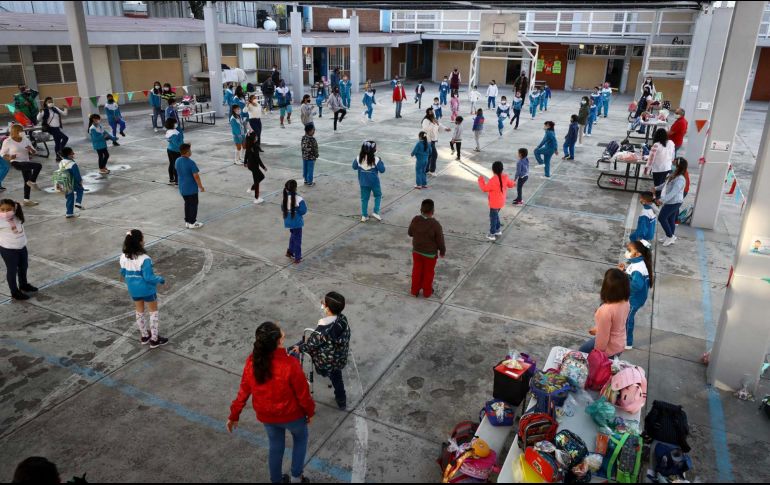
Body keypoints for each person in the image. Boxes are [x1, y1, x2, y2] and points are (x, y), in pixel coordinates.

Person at [227, 321, 315, 484]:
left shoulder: (252, 362)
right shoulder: (291, 365)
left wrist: (234, 414)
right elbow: (303, 395)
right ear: (279, 341)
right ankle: (296, 477)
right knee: (300, 440)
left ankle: (276, 480)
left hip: (267, 416)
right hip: (292, 415)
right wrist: (310, 412)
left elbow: (244, 390)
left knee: (275, 446)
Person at [291, 291, 351, 410]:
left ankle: (322, 372)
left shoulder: (323, 328)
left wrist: (300, 348)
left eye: (324, 302)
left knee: (298, 346)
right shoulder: (343, 320)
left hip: (326, 360)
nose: (322, 303)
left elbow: (311, 344)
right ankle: (341, 401)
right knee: (337, 379)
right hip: (339, 357)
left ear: (328, 308)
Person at [120, 229, 168, 348]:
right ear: (139, 242)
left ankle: (144, 335)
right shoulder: (145, 258)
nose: (144, 240)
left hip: (133, 289)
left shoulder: (123, 257)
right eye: (143, 238)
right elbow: (149, 278)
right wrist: (160, 279)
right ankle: (154, 339)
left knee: (139, 311)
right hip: (147, 289)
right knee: (153, 313)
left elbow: (123, 272)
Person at [579, 268, 631, 357]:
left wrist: (597, 355)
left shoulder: (605, 311)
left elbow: (602, 340)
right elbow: (616, 323)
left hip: (609, 349)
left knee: (581, 353)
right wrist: (599, 328)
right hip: (620, 343)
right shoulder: (626, 301)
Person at [618, 240, 653, 350]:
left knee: (628, 319)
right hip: (633, 298)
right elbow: (633, 279)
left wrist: (624, 287)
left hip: (634, 300)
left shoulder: (638, 268)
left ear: (638, 254)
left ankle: (627, 342)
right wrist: (624, 272)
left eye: (629, 250)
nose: (627, 252)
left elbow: (636, 286)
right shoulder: (637, 264)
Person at [0, 198, 37, 301]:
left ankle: (23, 285)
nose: (5, 212)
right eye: (2, 210)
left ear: (14, 208)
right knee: (12, 270)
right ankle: (14, 292)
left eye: (8, 209)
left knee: (23, 266)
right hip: (8, 250)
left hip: (21, 247)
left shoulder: (17, 216)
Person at [408, 199, 446, 298]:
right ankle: (427, 292)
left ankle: (414, 290)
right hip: (430, 254)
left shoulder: (415, 219)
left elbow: (410, 233)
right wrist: (442, 251)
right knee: (428, 273)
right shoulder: (435, 225)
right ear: (433, 211)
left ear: (421, 209)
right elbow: (440, 241)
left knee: (416, 271)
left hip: (416, 251)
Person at [0, 124, 42, 206]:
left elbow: (34, 152)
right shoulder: (8, 141)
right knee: (38, 166)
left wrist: (30, 150)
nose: (22, 132)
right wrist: (9, 157)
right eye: (20, 131)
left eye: (22, 130)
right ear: (14, 132)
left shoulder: (25, 139)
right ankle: (32, 182)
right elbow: (2, 154)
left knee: (27, 181)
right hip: (16, 162)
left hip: (26, 161)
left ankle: (26, 200)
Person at [478, 161, 515, 241]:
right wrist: (514, 183)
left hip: (494, 203)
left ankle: (492, 234)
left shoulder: (493, 180)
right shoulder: (505, 177)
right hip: (501, 202)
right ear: (502, 169)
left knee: (493, 218)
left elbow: (484, 188)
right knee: (495, 215)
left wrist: (481, 180)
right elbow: (511, 184)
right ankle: (498, 230)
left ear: (493, 170)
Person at [656, 158, 688, 247]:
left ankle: (669, 236)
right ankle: (670, 236)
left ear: (678, 166)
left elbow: (673, 192)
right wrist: (656, 188)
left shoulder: (680, 179)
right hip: (670, 202)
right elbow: (665, 184)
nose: (672, 165)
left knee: (662, 218)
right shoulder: (673, 175)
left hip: (674, 202)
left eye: (673, 164)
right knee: (670, 219)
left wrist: (662, 200)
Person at [353, 141, 386, 223]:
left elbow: (354, 167)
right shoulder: (376, 159)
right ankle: (375, 212)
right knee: (378, 195)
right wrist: (381, 161)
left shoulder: (359, 158)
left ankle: (364, 215)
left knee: (364, 199)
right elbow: (382, 170)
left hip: (363, 182)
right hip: (374, 182)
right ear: (373, 150)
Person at [175, 143, 205, 229]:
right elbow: (196, 176)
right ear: (188, 152)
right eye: (190, 150)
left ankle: (187, 221)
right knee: (193, 205)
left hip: (182, 187)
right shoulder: (191, 162)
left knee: (187, 204)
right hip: (191, 188)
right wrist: (200, 186)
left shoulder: (177, 160)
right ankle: (192, 222)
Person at [645, 128, 675, 199]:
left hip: (658, 169)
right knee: (662, 184)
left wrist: (647, 169)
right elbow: (673, 156)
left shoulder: (656, 145)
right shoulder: (671, 143)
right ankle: (659, 198)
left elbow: (651, 159)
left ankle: (657, 200)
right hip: (667, 167)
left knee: (658, 185)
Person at [282, 179, 307, 264]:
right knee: (297, 239)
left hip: (288, 221)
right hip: (296, 222)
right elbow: (303, 210)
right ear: (295, 188)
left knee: (293, 235)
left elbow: (282, 208)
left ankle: (290, 251)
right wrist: (297, 211)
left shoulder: (285, 198)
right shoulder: (299, 199)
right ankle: (297, 257)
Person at [37, 97, 68, 161]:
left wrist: (65, 108)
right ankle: (59, 151)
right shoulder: (44, 110)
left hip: (57, 128)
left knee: (57, 143)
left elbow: (64, 114)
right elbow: (38, 119)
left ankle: (58, 157)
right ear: (46, 103)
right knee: (65, 138)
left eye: (51, 101)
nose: (51, 103)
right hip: (51, 128)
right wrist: (40, 112)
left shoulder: (55, 108)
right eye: (49, 102)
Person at [421, 110, 451, 176]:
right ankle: (432, 170)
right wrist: (433, 123)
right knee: (434, 155)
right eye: (430, 112)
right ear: (427, 113)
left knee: (429, 156)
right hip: (428, 140)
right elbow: (426, 129)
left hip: (433, 140)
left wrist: (446, 129)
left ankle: (426, 170)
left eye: (432, 112)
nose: (431, 113)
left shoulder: (434, 119)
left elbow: (440, 125)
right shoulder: (426, 120)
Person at [59, 147, 84, 219]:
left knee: (69, 197)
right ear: (69, 154)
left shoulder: (61, 162)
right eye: (72, 152)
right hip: (73, 181)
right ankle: (78, 202)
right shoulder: (72, 163)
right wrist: (80, 181)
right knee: (80, 190)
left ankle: (69, 213)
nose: (73, 153)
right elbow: (76, 174)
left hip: (65, 181)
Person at [244, 132, 267, 204]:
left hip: (250, 165)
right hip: (254, 166)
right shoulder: (255, 146)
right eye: (256, 137)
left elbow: (246, 153)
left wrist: (245, 162)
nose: (257, 137)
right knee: (257, 181)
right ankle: (256, 198)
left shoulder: (249, 145)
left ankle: (251, 189)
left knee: (261, 177)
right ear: (254, 139)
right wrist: (263, 167)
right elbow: (258, 158)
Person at [165, 118, 184, 186]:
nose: (177, 124)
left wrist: (179, 129)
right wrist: (181, 135)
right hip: (175, 151)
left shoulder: (170, 131)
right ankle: (177, 180)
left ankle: (171, 178)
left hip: (170, 149)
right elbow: (178, 143)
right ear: (172, 124)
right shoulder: (174, 133)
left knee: (172, 164)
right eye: (175, 123)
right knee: (176, 165)